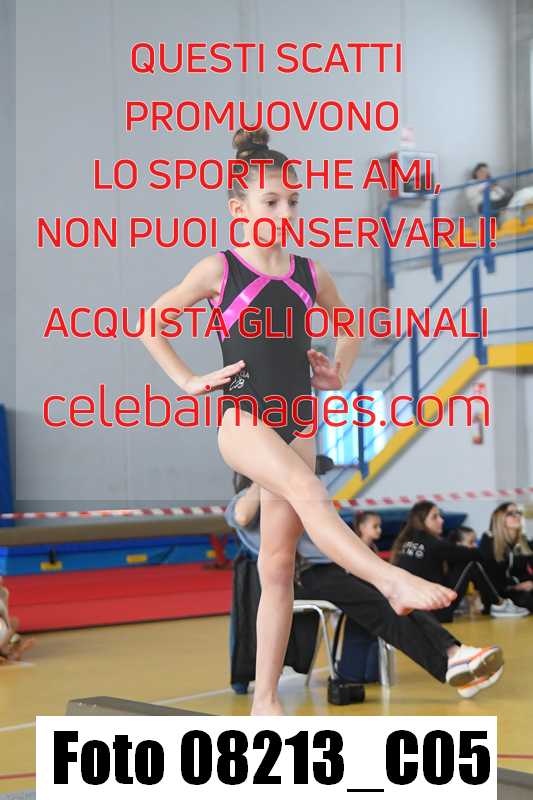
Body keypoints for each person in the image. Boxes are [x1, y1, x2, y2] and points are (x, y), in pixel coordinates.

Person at [139, 127, 457, 715]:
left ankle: (265, 701)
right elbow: (151, 322)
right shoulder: (219, 270)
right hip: (242, 416)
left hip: (299, 421)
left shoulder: (311, 274)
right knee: (309, 491)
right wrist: (187, 380)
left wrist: (338, 370)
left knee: (279, 566)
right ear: (239, 209)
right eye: (270, 201)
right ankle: (389, 580)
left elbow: (349, 325)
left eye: (293, 201)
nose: (285, 212)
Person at [226, 473, 505, 699]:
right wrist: (263, 478)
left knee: (396, 600)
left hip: (331, 569)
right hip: (301, 577)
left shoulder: (297, 497)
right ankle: (453, 660)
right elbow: (241, 516)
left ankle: (454, 658)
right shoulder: (246, 499)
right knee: (382, 607)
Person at [390, 502, 529, 622]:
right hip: (434, 612)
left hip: (407, 611)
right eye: (435, 517)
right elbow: (478, 555)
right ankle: (498, 604)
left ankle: (492, 603)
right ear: (422, 521)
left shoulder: (406, 542)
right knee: (471, 564)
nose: (441, 520)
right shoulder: (433, 543)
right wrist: (488, 538)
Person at [479, 502, 533, 612]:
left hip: (520, 589)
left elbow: (525, 573)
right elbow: (490, 576)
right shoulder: (489, 539)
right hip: (500, 593)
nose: (517, 516)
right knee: (526, 599)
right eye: (510, 513)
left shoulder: (523, 541)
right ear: (500, 518)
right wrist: (513, 587)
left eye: (518, 512)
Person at [0, 578, 35, 664]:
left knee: (15, 638)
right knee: (14, 638)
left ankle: (9, 650)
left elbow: (5, 614)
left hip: (4, 634)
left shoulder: (4, 593)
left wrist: (10, 629)